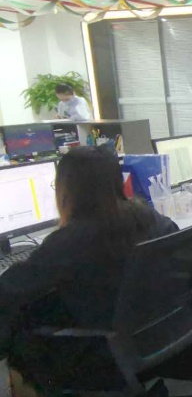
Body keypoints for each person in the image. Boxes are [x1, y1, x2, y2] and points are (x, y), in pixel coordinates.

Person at [0, 146, 177, 352]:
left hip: (106, 347)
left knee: (18, 317)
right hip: (155, 333)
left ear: (68, 190)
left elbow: (10, 288)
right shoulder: (146, 216)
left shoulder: (69, 240)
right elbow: (174, 232)